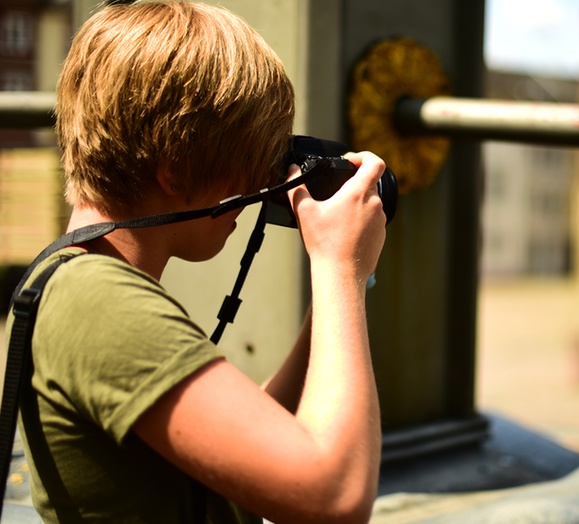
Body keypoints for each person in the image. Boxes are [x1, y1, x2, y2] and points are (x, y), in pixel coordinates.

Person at [9, 1, 386, 522]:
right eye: (249, 162)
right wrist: (339, 268)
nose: (259, 187)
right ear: (178, 168)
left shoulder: (77, 280)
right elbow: (334, 497)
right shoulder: (100, 305)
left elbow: (244, 444)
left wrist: (344, 281)